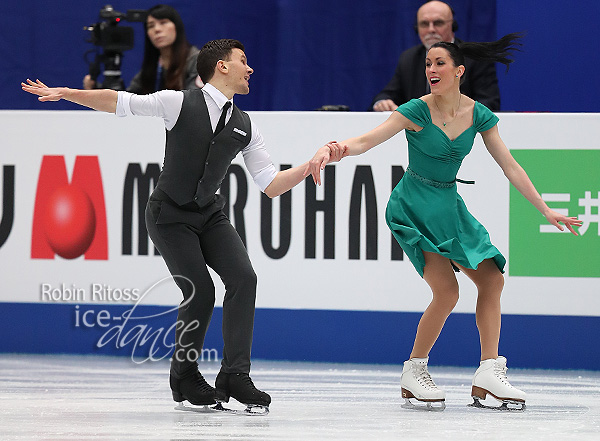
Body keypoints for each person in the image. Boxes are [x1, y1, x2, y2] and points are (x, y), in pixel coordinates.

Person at [23, 39, 344, 414]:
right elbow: (119, 102)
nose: (250, 68)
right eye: (243, 61)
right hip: (169, 215)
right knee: (201, 290)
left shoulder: (245, 125)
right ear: (221, 67)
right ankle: (184, 376)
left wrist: (310, 165)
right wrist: (68, 94)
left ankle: (235, 375)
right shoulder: (178, 102)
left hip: (210, 215)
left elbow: (270, 184)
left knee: (244, 278)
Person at [309, 33, 581, 411]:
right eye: (427, 64)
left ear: (459, 71)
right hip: (413, 206)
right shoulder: (415, 110)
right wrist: (334, 148)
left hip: (449, 206)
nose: (431, 70)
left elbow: (509, 165)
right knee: (448, 292)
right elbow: (367, 140)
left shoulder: (479, 114)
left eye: (439, 63)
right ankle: (413, 370)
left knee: (492, 278)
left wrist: (545, 209)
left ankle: (489, 370)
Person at [371, 1, 500, 112]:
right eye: (424, 24)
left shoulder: (475, 58)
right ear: (417, 29)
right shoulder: (409, 58)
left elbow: (489, 103)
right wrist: (383, 102)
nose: (431, 29)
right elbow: (388, 94)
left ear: (453, 26)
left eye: (438, 23)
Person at [84, 4, 203, 93]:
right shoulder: (153, 65)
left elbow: (194, 102)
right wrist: (97, 89)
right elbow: (129, 100)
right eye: (151, 26)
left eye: (163, 22)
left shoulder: (196, 60)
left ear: (177, 27)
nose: (157, 29)